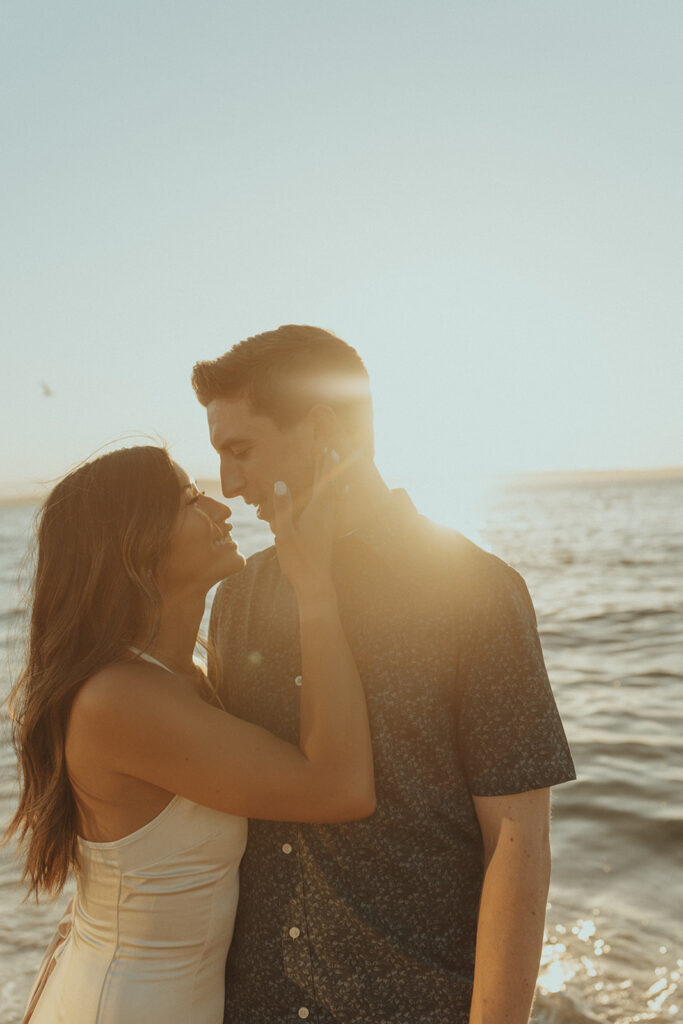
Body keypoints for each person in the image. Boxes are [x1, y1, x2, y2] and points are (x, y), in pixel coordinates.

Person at [192, 324, 577, 1024]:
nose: (227, 483)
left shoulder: (474, 590)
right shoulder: (238, 598)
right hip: (254, 1006)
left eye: (239, 449)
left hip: (414, 1003)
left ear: (319, 428)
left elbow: (517, 843)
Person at [5, 444, 374, 1024]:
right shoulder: (120, 700)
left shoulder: (180, 678)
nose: (222, 509)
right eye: (190, 499)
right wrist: (314, 587)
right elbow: (341, 788)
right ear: (134, 543)